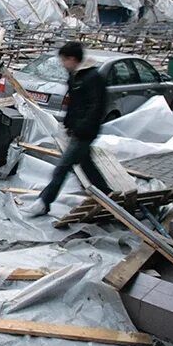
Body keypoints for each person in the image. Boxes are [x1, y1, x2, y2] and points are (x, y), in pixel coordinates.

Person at [27, 41, 111, 217]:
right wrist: (68, 122)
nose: (63, 64)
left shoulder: (91, 77)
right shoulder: (75, 76)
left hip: (85, 131)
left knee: (62, 167)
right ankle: (107, 194)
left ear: (72, 59)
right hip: (77, 129)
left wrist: (81, 127)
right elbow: (74, 104)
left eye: (64, 60)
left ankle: (44, 201)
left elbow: (96, 107)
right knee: (87, 165)